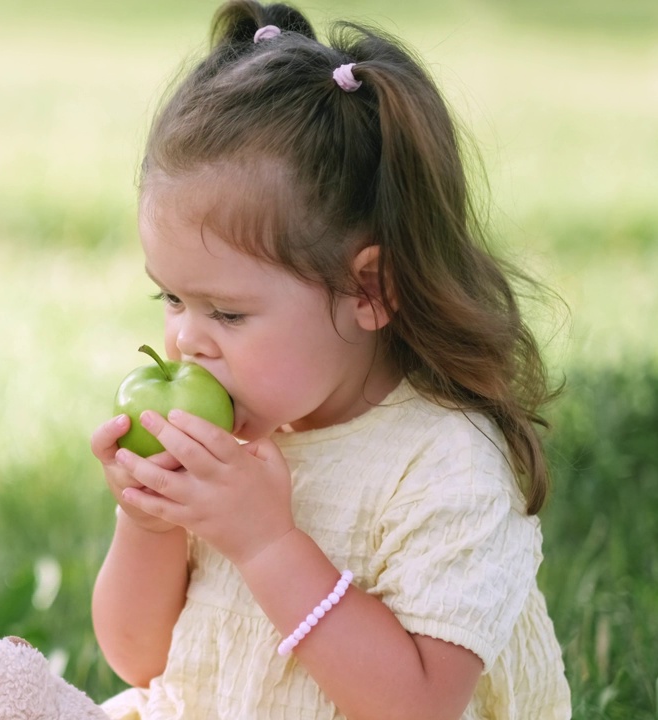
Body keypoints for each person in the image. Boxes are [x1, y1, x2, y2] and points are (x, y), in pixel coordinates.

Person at [88, 1, 572, 718]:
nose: (186, 341)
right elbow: (141, 660)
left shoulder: (445, 465)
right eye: (171, 298)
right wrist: (151, 523)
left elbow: (421, 705)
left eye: (226, 312)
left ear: (368, 290)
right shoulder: (236, 443)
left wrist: (267, 546)